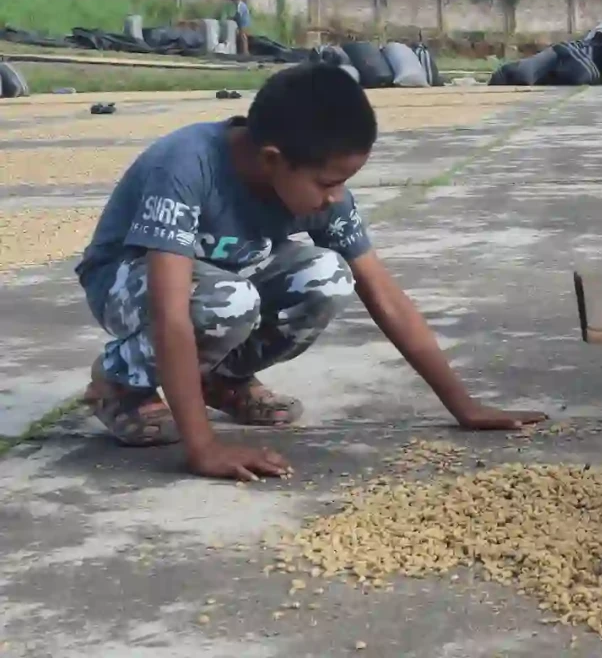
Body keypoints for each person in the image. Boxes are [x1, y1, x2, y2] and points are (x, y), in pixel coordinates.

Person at [76, 62, 543, 481]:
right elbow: (171, 309)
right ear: (273, 160)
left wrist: (465, 407)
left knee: (328, 276)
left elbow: (384, 295)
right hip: (129, 280)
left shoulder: (319, 190)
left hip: (225, 283)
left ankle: (220, 379)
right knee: (228, 302)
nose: (336, 197)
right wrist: (204, 447)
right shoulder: (185, 165)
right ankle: (119, 382)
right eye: (328, 183)